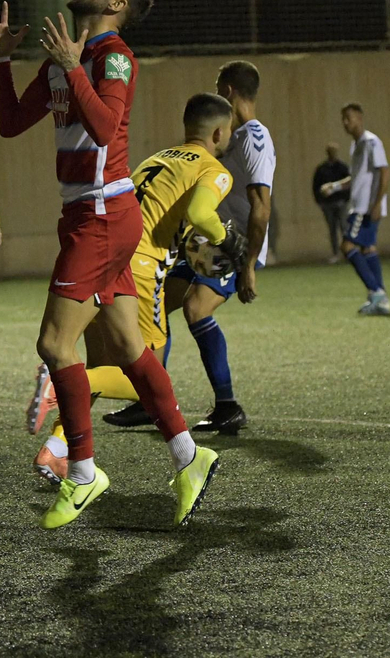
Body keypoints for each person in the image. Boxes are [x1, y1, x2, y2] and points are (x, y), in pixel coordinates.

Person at [0, 0, 219, 530]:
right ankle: (191, 456)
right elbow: (13, 121)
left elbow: (104, 124)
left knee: (54, 343)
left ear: (115, 4)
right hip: (88, 214)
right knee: (129, 348)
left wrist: (73, 68)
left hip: (101, 216)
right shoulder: (67, 56)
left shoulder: (114, 56)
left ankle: (84, 470)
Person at [33, 93, 245, 482]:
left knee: (99, 360)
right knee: (145, 374)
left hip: (108, 254)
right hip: (141, 269)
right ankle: (55, 383)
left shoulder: (159, 158)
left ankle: (57, 448)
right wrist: (225, 236)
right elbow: (200, 214)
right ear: (218, 132)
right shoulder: (215, 168)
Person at [148, 60, 275, 435]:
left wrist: (248, 263)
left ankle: (227, 405)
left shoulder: (254, 137)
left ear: (229, 90)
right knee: (157, 304)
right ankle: (148, 399)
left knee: (195, 309)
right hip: (204, 241)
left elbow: (261, 206)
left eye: (219, 87)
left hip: (230, 246)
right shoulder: (229, 136)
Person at [320, 103, 390, 314]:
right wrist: (334, 187)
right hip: (362, 205)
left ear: (359, 118)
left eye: (348, 118)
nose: (345, 123)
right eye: (343, 119)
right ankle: (380, 299)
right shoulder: (356, 145)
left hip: (365, 207)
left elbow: (385, 172)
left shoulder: (371, 142)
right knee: (368, 248)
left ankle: (376, 291)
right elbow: (358, 179)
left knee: (347, 247)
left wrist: (377, 203)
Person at [312, 144, 351, 262]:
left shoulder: (342, 167)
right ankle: (335, 253)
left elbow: (349, 184)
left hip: (341, 203)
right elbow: (316, 186)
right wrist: (320, 201)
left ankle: (348, 252)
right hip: (327, 204)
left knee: (344, 227)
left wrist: (345, 199)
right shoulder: (322, 169)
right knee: (332, 229)